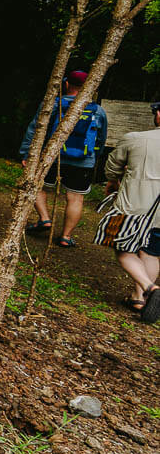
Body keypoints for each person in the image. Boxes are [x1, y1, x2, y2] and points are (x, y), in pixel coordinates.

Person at [19, 71, 108, 247]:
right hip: (83, 161)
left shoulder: (54, 104)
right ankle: (66, 237)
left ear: (66, 85)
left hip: (52, 156)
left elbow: (36, 128)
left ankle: (44, 218)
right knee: (75, 198)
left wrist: (27, 153)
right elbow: (101, 139)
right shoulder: (97, 110)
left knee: (36, 185)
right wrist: (93, 158)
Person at [93, 101, 160, 322]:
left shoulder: (135, 139)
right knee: (151, 252)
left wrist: (113, 181)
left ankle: (149, 289)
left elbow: (112, 166)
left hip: (134, 207)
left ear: (158, 115)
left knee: (123, 248)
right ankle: (138, 298)